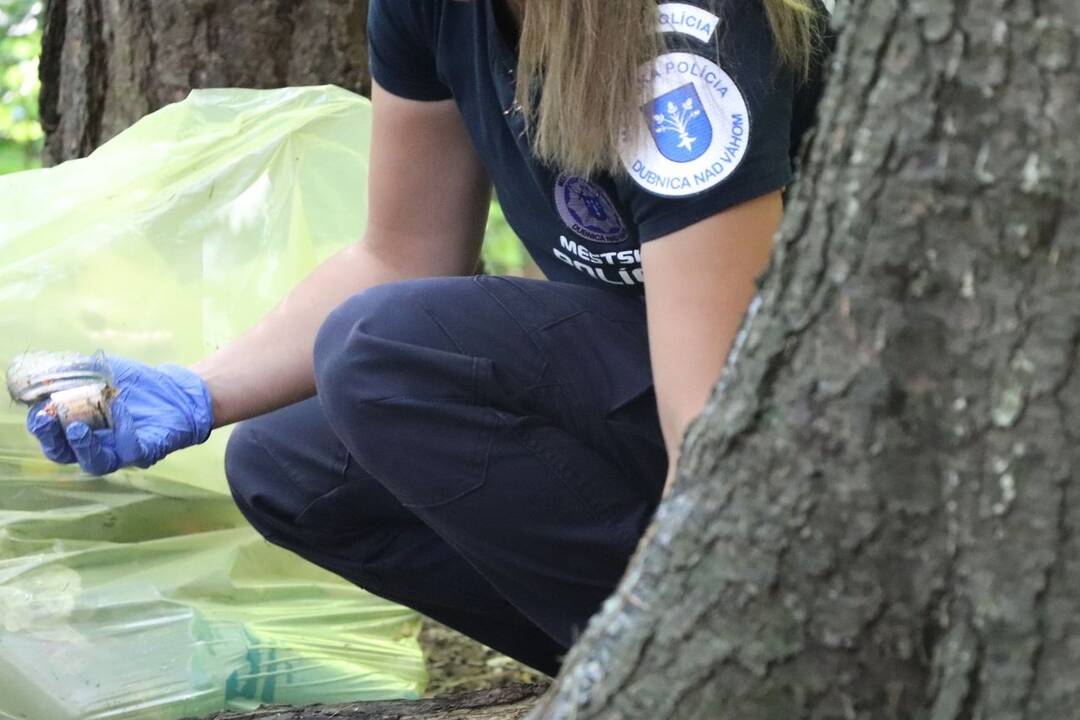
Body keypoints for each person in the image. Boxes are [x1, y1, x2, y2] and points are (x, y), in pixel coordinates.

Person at [27, 0, 830, 676]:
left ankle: (752, 662)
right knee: (291, 464)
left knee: (391, 353)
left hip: (785, 416)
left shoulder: (690, 43)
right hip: (656, 380)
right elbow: (401, 252)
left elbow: (716, 420)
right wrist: (196, 389)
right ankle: (638, 673)